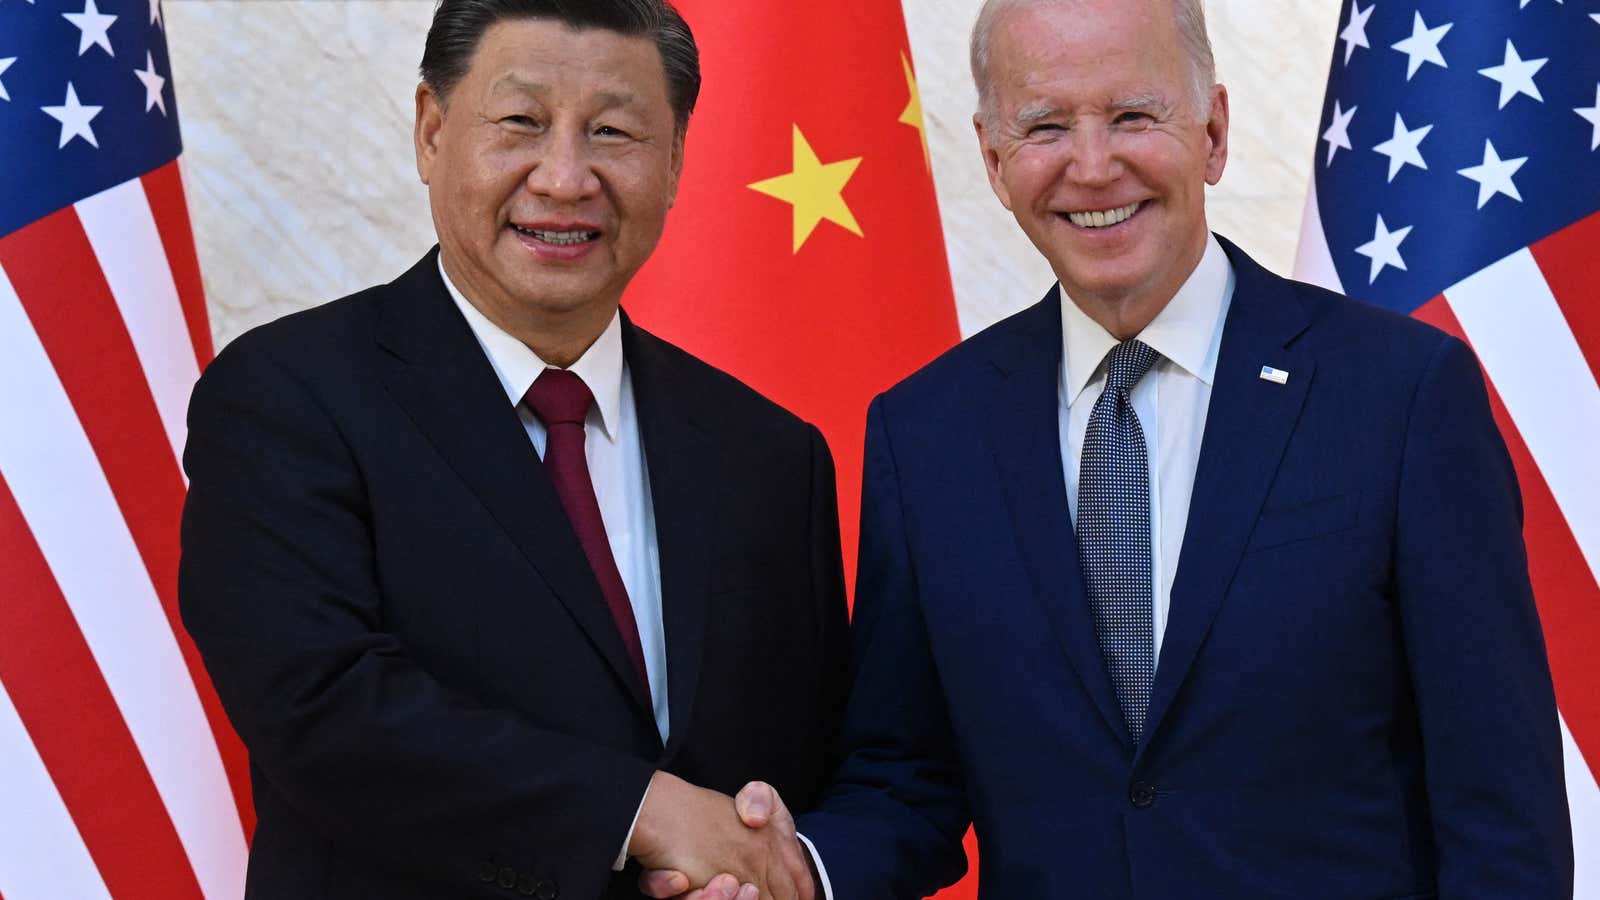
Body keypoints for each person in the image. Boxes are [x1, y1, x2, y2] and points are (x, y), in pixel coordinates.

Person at [648, 0, 1574, 896]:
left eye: (1134, 115)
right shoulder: (926, 431)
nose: (1092, 167)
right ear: (993, 156)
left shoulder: (1402, 395)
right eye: (1046, 126)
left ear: (1212, 133)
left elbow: (1498, 803)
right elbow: (909, 776)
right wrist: (800, 871)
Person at [177, 2, 845, 898]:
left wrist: (781, 868)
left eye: (612, 132)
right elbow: (324, 714)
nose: (565, 179)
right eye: (520, 123)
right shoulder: (286, 398)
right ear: (431, 132)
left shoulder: (769, 453)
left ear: (678, 159)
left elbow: (820, 765)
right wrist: (639, 812)